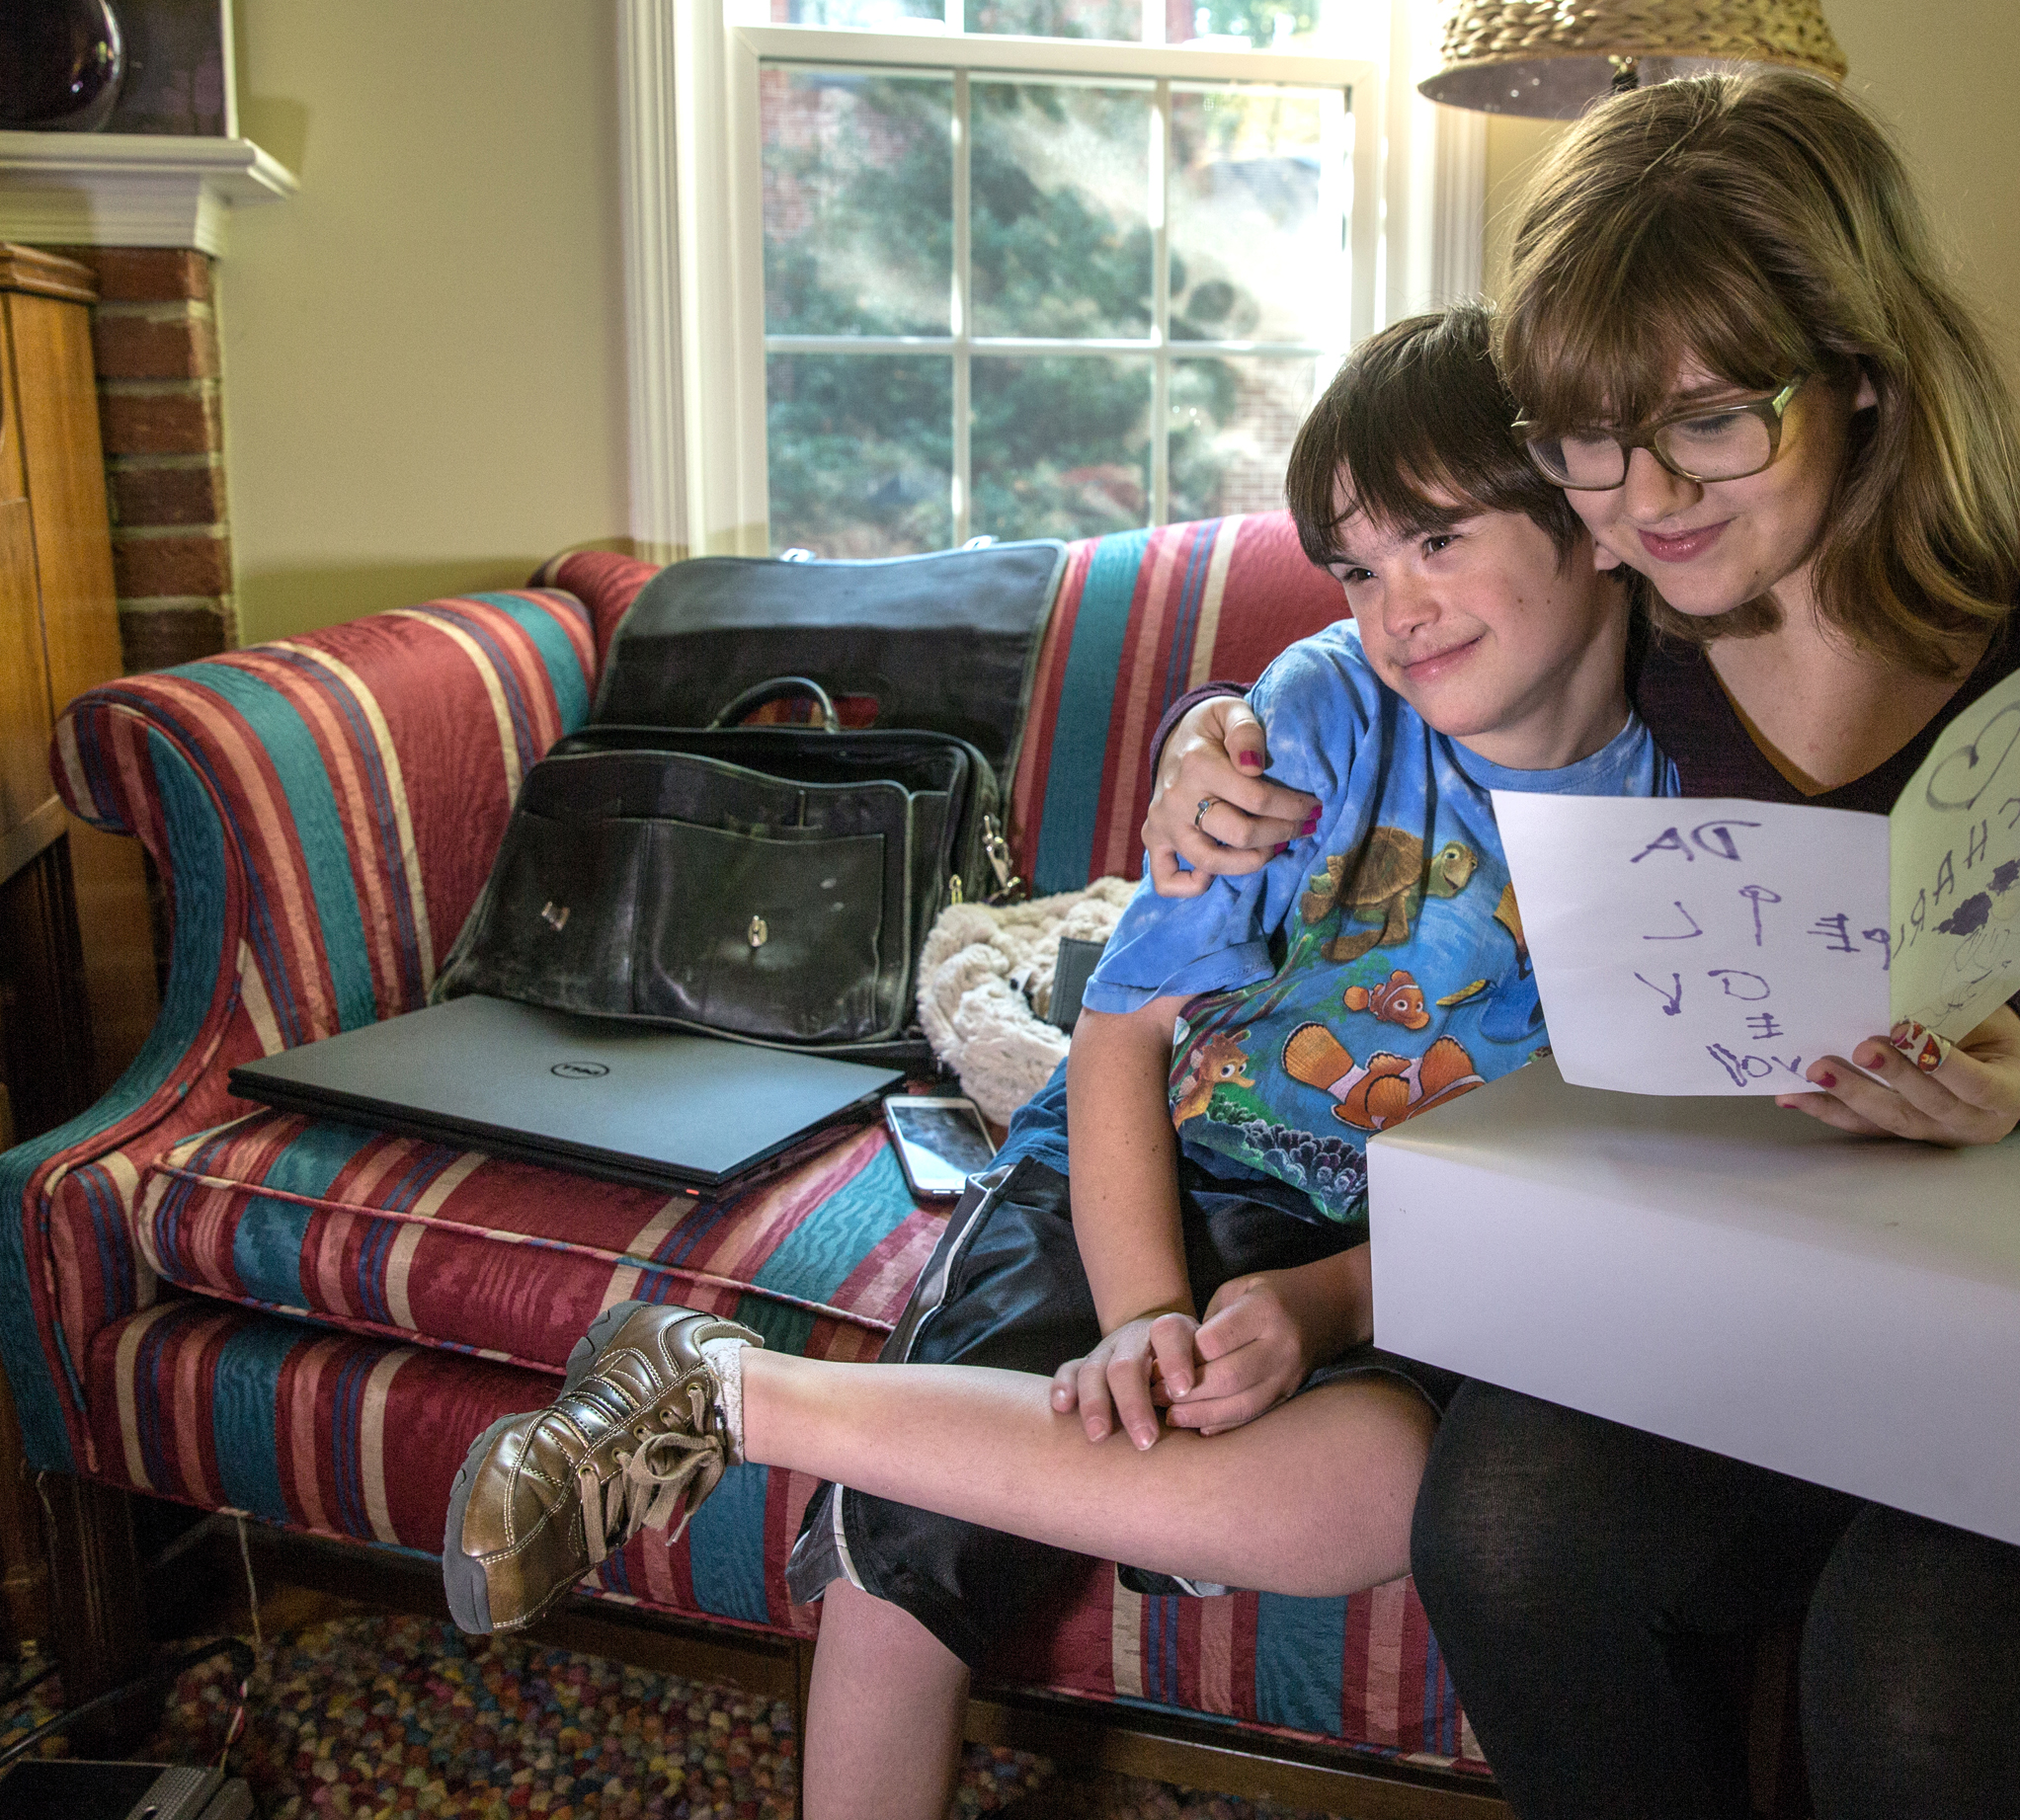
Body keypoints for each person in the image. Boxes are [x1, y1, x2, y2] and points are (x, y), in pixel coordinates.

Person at [1136, 70, 2020, 1819]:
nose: (1641, 502)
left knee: (1926, 1672)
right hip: (1828, 1309)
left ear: (1862, 370)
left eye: (1709, 422)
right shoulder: (1646, 602)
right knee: (1504, 1523)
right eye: (1584, 444)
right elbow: (1403, 646)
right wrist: (1210, 732)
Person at [439, 306, 1671, 1820]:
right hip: (1163, 1144)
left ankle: (721, 1384)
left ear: (1598, 515)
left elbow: (1577, 1185)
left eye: (1436, 539)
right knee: (913, 1548)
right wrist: (1149, 1308)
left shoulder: (1683, 804)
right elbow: (1123, 1031)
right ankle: (710, 1404)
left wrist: (1316, 1303)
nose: (1396, 606)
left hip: (1405, 1239)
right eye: (1356, 563)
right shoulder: (1318, 721)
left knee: (1368, 1495)